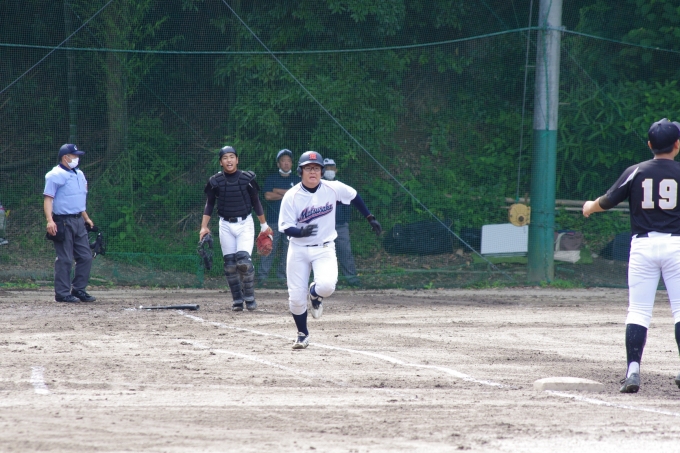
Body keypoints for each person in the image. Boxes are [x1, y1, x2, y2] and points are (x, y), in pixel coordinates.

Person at [583, 118, 680, 393]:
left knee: (638, 310)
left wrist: (589, 207)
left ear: (649, 144)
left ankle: (633, 371)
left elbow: (607, 201)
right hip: (676, 246)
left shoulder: (636, 171)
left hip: (643, 248)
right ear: (677, 144)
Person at [279, 151, 382, 349]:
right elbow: (285, 227)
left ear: (321, 171)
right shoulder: (291, 196)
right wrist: (300, 232)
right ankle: (302, 334)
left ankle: (314, 293)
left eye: (316, 168)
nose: (313, 172)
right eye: (308, 168)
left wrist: (370, 217)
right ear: (300, 171)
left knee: (327, 286)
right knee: (296, 298)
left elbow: (353, 196)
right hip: (298, 249)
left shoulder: (332, 188)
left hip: (324, 247)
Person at [199, 145, 270, 311]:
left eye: (232, 157)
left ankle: (249, 298)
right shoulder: (215, 181)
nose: (229, 160)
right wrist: (203, 227)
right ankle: (238, 300)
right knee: (230, 265)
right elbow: (209, 204)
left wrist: (264, 225)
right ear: (220, 162)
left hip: (245, 223)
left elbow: (256, 202)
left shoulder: (247, 179)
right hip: (225, 224)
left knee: (243, 261)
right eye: (225, 158)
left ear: (237, 160)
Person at [43, 144, 96, 303]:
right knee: (65, 259)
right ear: (65, 157)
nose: (77, 158)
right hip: (63, 221)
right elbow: (48, 199)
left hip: (78, 219)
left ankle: (79, 289)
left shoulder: (79, 174)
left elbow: (78, 198)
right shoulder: (54, 175)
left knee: (86, 256)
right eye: (74, 156)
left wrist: (86, 218)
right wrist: (50, 220)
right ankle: (62, 293)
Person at [257, 149, 301, 286]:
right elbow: (268, 196)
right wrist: (289, 194)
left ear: (292, 164)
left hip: (291, 222)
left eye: (289, 161)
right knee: (269, 248)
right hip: (273, 221)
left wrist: (277, 191)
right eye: (283, 160)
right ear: (278, 164)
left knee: (288, 250)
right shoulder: (271, 178)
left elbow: (298, 197)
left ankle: (283, 277)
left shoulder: (297, 180)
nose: (286, 163)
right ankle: (262, 278)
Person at [322, 158, 361, 286]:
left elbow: (348, 203)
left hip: (340, 225)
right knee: (323, 253)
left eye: (331, 167)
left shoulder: (341, 186)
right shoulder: (318, 186)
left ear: (336, 170)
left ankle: (352, 280)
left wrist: (344, 221)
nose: (329, 170)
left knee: (345, 251)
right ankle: (325, 281)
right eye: (327, 168)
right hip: (323, 227)